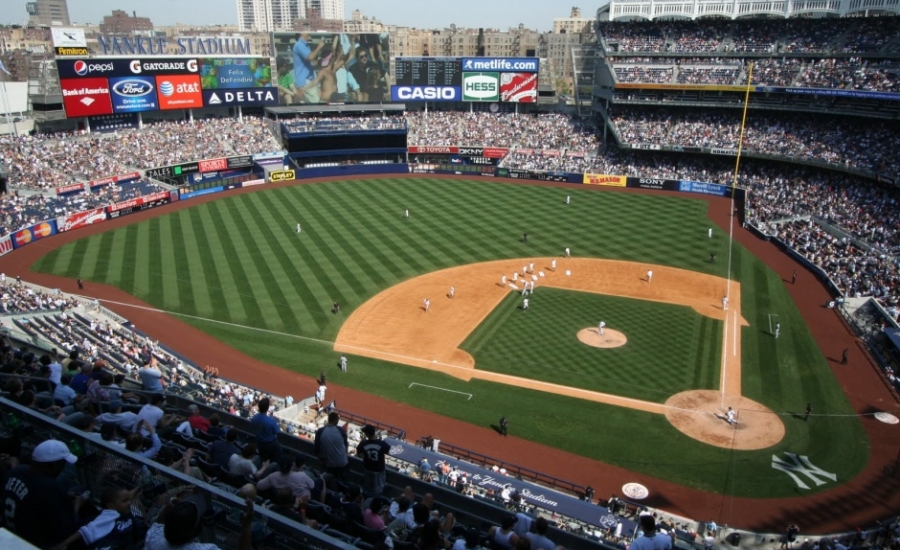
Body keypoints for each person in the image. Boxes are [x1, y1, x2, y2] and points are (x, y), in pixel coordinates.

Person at [1, 440, 84, 549]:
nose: (63, 467)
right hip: (32, 544)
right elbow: (65, 532)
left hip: (8, 534)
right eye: (62, 463)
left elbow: (32, 496)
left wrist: (62, 497)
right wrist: (77, 505)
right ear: (52, 465)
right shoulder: (50, 487)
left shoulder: (18, 470)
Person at [144, 492, 254, 550]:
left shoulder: (153, 537)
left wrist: (170, 510)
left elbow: (158, 525)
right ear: (196, 530)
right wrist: (246, 526)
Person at [53, 485, 145, 550]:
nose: (129, 503)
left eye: (128, 500)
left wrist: (140, 486)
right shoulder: (108, 516)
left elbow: (128, 496)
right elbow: (85, 530)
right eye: (125, 501)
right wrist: (64, 544)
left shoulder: (122, 509)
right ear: (111, 506)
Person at [357, 425, 391, 496]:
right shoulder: (381, 443)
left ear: (366, 434)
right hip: (378, 470)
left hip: (367, 469)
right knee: (378, 488)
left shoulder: (363, 443)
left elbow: (359, 453)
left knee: (367, 486)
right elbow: (388, 451)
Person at [291, 33, 325, 103]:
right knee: (315, 104)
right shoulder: (299, 45)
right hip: (305, 81)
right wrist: (319, 47)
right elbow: (310, 58)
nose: (310, 32)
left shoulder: (305, 46)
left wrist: (321, 60)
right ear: (301, 33)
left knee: (306, 106)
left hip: (306, 81)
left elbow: (312, 63)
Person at [315, 411, 349, 478]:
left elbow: (317, 450)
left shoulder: (320, 431)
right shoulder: (341, 431)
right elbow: (345, 448)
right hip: (342, 464)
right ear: (335, 420)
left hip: (328, 465)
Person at [250, 397, 282, 463]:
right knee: (276, 458)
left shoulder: (254, 418)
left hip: (260, 443)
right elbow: (277, 431)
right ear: (267, 408)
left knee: (263, 459)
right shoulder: (271, 421)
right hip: (271, 444)